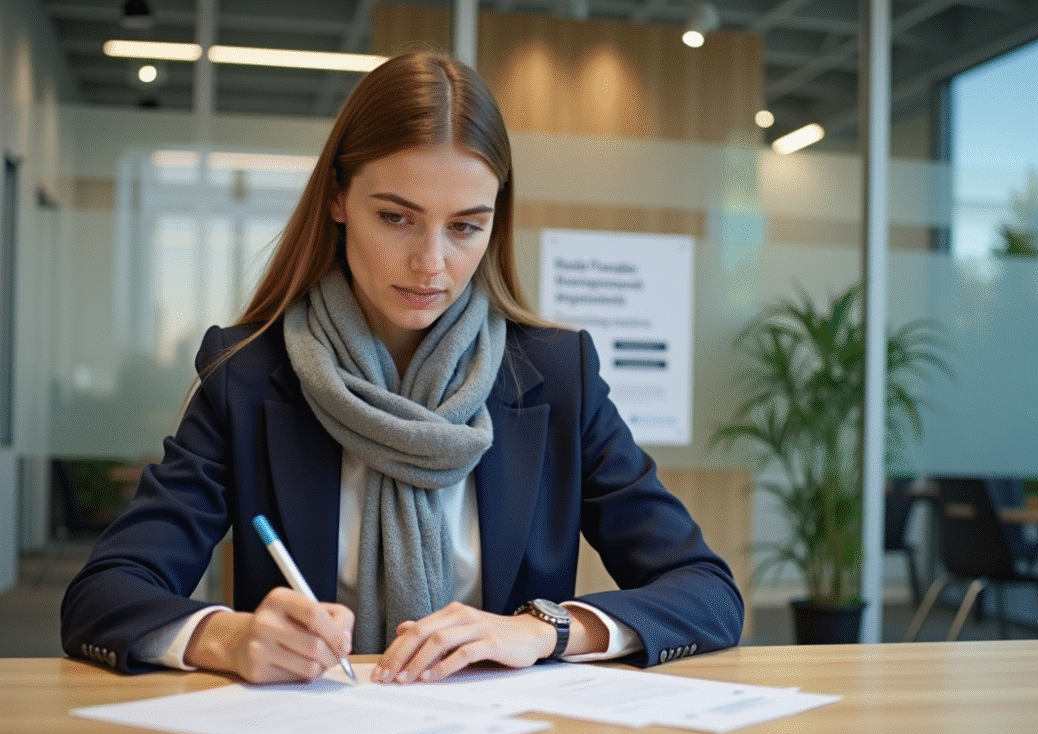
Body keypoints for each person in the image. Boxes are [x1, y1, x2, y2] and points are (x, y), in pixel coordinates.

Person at [60, 49, 743, 685]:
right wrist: (227, 639)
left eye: (465, 226)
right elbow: (104, 594)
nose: (431, 263)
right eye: (396, 217)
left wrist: (544, 631)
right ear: (337, 200)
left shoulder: (558, 378)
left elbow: (705, 591)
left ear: (494, 224)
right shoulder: (249, 375)